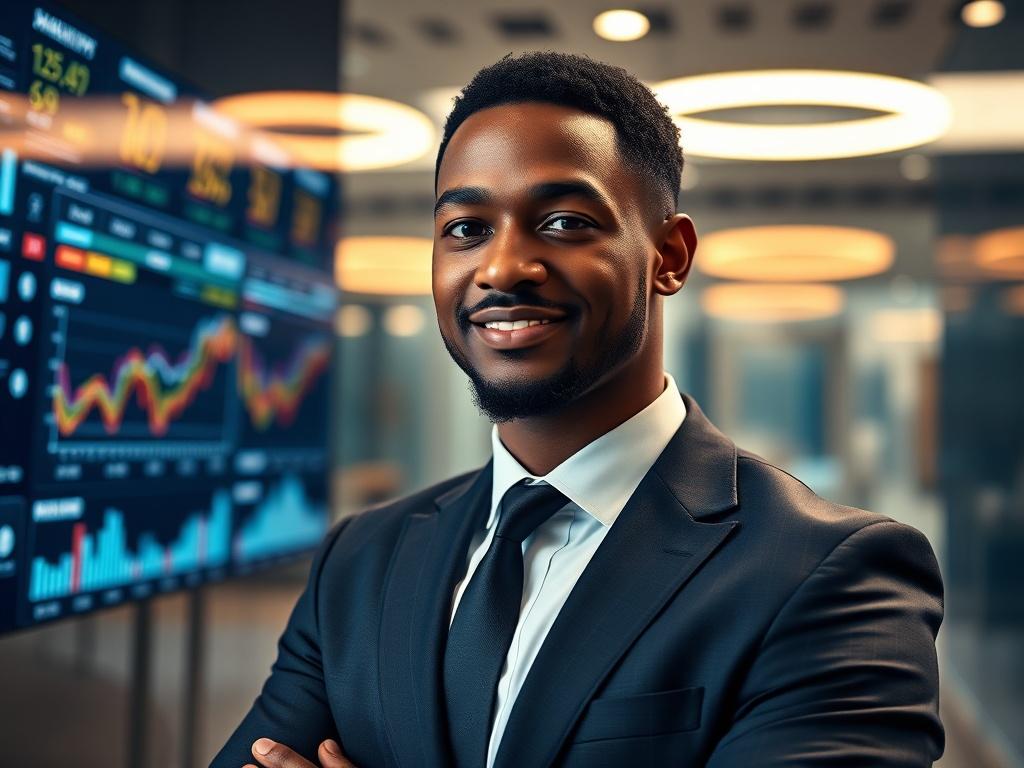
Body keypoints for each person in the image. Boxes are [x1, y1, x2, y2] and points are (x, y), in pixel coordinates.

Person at [214, 52, 944, 768]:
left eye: (563, 222)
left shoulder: (830, 575)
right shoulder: (361, 560)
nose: (501, 269)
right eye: (466, 229)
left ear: (670, 256)